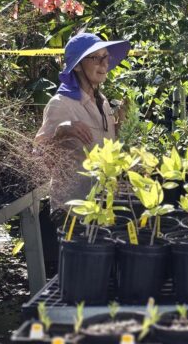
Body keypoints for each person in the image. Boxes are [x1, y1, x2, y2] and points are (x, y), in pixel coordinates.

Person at [35, 32, 130, 230]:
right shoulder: (61, 105)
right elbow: (38, 157)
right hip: (73, 211)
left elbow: (102, 146)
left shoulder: (102, 102)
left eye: (106, 57)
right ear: (77, 66)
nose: (104, 64)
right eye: (96, 58)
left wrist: (120, 126)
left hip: (102, 204)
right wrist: (61, 131)